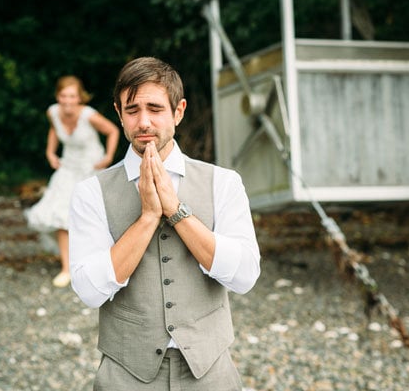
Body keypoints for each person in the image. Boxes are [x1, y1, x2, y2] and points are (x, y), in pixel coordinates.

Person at [68, 57, 261, 390]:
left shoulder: (223, 183)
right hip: (125, 374)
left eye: (155, 109)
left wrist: (175, 210)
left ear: (179, 111)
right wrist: (146, 218)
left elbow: (244, 276)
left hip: (211, 372)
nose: (144, 122)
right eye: (132, 110)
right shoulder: (90, 193)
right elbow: (89, 291)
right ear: (119, 113)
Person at [25, 75, 119, 288]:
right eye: (63, 96)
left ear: (80, 97)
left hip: (90, 168)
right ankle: (67, 269)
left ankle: (102, 264)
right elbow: (54, 130)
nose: (67, 101)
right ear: (58, 96)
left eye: (72, 96)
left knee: (95, 217)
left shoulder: (89, 116)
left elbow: (112, 131)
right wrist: (50, 152)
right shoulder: (53, 112)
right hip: (68, 168)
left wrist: (109, 157)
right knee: (60, 216)